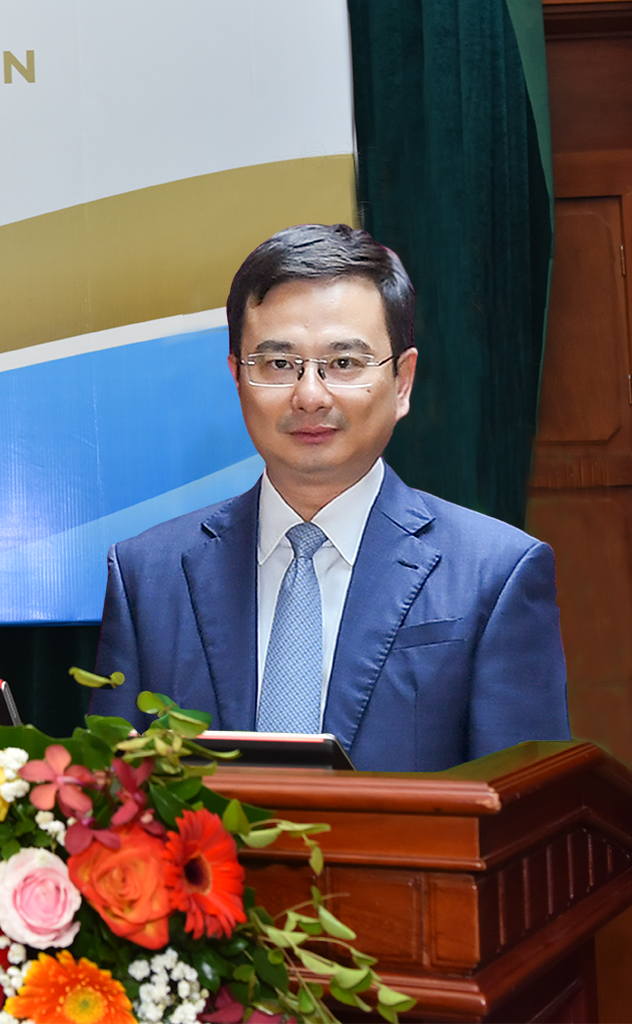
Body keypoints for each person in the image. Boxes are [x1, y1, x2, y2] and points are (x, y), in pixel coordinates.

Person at [89, 224, 569, 772]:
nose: (310, 396)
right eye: (278, 364)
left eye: (343, 363)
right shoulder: (148, 575)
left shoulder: (495, 574)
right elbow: (116, 801)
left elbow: (526, 808)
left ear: (403, 381)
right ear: (237, 378)